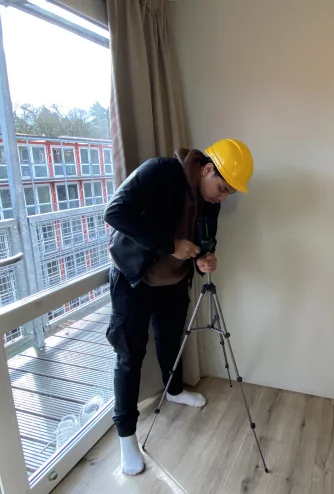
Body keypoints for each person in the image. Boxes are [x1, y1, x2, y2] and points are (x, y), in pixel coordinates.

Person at [103, 139, 254, 475]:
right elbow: (114, 212)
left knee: (172, 340)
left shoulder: (210, 200)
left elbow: (204, 240)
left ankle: (173, 391)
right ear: (207, 168)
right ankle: (127, 436)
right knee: (130, 356)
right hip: (134, 278)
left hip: (173, 283)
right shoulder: (160, 172)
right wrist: (170, 244)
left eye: (230, 192)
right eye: (223, 187)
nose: (224, 197)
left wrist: (204, 258)